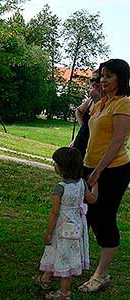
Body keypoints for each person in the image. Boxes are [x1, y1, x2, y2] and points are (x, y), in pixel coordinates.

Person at [77, 59, 130, 293]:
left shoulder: (124, 104)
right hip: (90, 167)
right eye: (102, 76)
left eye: (109, 76)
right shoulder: (100, 104)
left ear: (121, 78)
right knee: (84, 215)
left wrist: (97, 172)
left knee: (103, 218)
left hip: (113, 170)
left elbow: (118, 142)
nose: (103, 80)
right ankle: (74, 264)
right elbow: (89, 132)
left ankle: (101, 275)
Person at [33, 147, 98, 300]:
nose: (54, 165)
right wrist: (95, 185)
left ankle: (64, 292)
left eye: (55, 163)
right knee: (60, 252)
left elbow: (54, 213)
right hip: (76, 228)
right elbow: (92, 199)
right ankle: (45, 279)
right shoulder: (81, 183)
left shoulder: (60, 188)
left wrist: (48, 232)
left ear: (62, 167)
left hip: (61, 228)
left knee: (65, 258)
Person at [70, 69, 102, 157]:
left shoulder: (108, 101)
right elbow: (78, 111)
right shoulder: (90, 100)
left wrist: (97, 100)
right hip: (81, 142)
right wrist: (83, 127)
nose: (94, 83)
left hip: (94, 146)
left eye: (97, 80)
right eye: (92, 80)